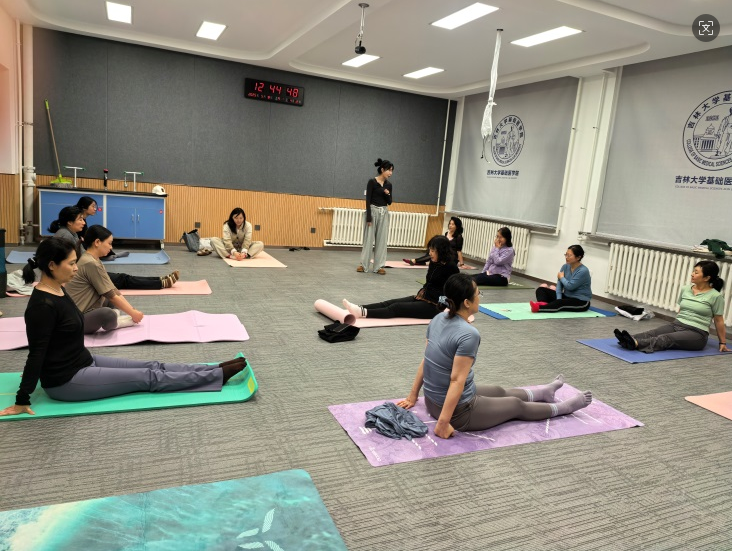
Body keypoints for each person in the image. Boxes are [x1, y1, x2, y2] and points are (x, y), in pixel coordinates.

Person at [0, 238, 248, 416]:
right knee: (148, 378)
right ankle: (216, 376)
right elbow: (36, 352)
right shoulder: (41, 306)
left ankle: (212, 368)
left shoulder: (59, 289)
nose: (76, 268)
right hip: (66, 381)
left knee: (153, 365)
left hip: (83, 361)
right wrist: (22, 398)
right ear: (52, 265)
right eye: (71, 263)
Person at [397, 273, 593, 438]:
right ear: (467, 302)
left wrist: (413, 395)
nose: (479, 297)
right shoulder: (468, 334)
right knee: (516, 405)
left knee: (498, 390)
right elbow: (456, 381)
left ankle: (544, 393)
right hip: (458, 413)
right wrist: (442, 423)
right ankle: (565, 408)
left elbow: (426, 359)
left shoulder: (438, 318)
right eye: (477, 294)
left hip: (432, 401)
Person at [614, 260, 730, 354]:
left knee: (667, 338)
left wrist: (722, 343)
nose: (692, 274)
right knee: (653, 332)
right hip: (677, 324)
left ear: (706, 278)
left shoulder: (716, 296)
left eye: (696, 272)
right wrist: (676, 323)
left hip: (697, 333)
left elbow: (718, 321)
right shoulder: (686, 289)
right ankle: (628, 339)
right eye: (693, 271)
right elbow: (681, 309)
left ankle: (636, 343)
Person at [62, 225, 156, 333]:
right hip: (78, 320)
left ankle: (116, 318)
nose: (111, 247)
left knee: (110, 301)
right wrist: (133, 314)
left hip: (88, 309)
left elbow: (113, 290)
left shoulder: (95, 260)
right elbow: (111, 295)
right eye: (109, 243)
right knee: (108, 313)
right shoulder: (90, 263)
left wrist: (132, 310)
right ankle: (117, 322)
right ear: (97, 242)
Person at [47, 216, 179, 291]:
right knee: (124, 279)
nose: (83, 222)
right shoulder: (67, 237)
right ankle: (161, 283)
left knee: (123, 277)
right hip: (86, 276)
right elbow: (111, 294)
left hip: (86, 272)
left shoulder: (74, 236)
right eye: (80, 219)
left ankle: (160, 280)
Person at [343, 235, 458, 319]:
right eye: (430, 250)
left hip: (434, 306)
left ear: (441, 252)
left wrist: (443, 303)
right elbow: (429, 283)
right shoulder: (434, 262)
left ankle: (362, 313)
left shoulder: (451, 267)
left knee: (396, 307)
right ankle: (359, 307)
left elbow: (455, 292)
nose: (430, 254)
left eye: (433, 251)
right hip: (423, 297)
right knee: (389, 302)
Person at [357, 158, 393, 275]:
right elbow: (368, 200)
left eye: (392, 171)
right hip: (372, 211)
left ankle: (379, 266)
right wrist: (368, 217)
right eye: (389, 170)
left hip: (384, 212)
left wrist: (387, 194)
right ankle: (364, 265)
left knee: (382, 240)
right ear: (382, 170)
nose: (390, 173)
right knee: (368, 239)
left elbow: (389, 202)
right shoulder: (372, 182)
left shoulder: (389, 185)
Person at [531, 245, 591, 313]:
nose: (566, 257)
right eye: (566, 255)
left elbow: (570, 286)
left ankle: (539, 308)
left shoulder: (583, 271)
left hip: (581, 301)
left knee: (560, 303)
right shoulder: (565, 266)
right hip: (566, 297)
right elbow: (559, 286)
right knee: (541, 290)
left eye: (569, 255)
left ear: (578, 257)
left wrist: (561, 277)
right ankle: (543, 304)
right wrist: (558, 299)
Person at [404, 216, 469, 269]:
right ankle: (420, 261)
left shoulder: (459, 237)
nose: (450, 226)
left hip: (452, 257)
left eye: (453, 224)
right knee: (432, 251)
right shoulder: (446, 233)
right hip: (445, 253)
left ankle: (414, 261)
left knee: (435, 254)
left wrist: (462, 264)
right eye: (450, 224)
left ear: (457, 226)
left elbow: (459, 251)